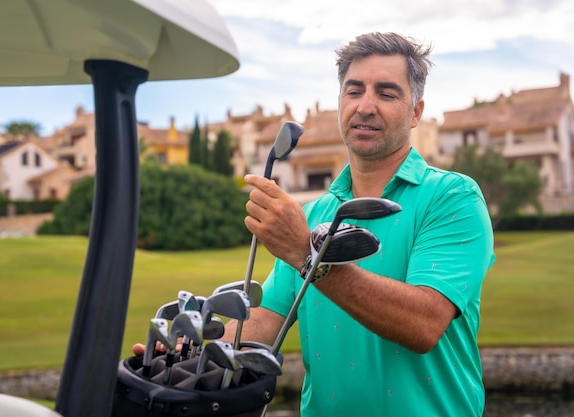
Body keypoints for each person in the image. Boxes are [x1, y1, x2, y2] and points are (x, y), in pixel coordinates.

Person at [135, 32, 495, 416]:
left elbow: (423, 324)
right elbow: (265, 320)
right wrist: (190, 351)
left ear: (416, 112)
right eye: (354, 91)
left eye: (387, 93)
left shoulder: (453, 197)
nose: (366, 106)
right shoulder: (314, 216)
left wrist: (303, 252)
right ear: (340, 102)